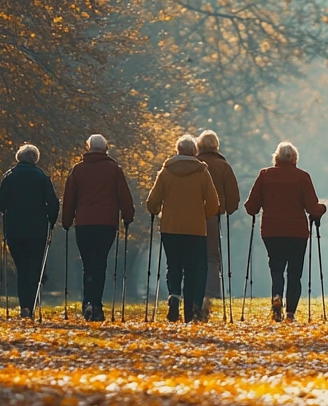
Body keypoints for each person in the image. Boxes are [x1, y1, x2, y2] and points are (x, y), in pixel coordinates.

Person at [244, 141, 327, 322]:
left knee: (276, 267)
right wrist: (322, 209)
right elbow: (312, 208)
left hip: (271, 231)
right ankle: (290, 313)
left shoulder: (265, 175)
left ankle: (276, 297)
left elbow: (251, 207)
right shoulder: (302, 177)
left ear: (276, 157)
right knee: (294, 273)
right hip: (296, 232)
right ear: (295, 159)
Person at [145, 134, 221, 322]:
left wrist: (155, 210)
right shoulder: (202, 172)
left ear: (177, 150)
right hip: (195, 229)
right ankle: (189, 311)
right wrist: (204, 214)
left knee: (174, 265)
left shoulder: (166, 171)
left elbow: (153, 201)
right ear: (195, 151)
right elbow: (213, 203)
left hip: (170, 227)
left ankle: (174, 295)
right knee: (192, 269)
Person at [62, 134, 135, 322]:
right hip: (106, 224)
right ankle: (96, 305)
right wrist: (128, 216)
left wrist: (67, 220)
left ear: (88, 148)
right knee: (100, 264)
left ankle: (87, 302)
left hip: (84, 224)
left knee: (87, 265)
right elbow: (124, 195)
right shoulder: (114, 170)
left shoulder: (78, 170)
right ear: (105, 149)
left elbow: (69, 197)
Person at [0, 143, 60, 319]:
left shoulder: (9, 177)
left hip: (15, 231)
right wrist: (51, 220)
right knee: (35, 267)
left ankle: (25, 307)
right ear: (35, 159)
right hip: (37, 232)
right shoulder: (42, 177)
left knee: (22, 268)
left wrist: (10, 207)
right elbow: (53, 203)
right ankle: (31, 304)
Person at [198, 130, 241, 321]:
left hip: (193, 215)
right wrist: (228, 209)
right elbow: (233, 195)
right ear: (216, 146)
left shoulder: (196, 164)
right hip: (213, 216)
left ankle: (194, 294)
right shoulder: (223, 166)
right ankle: (211, 293)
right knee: (212, 256)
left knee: (194, 257)